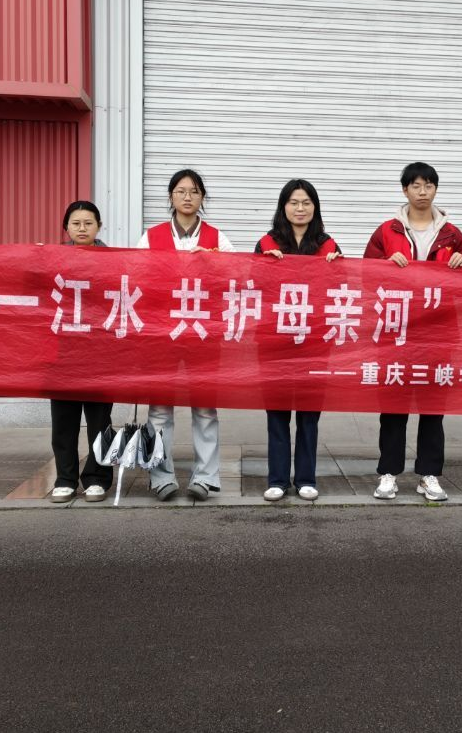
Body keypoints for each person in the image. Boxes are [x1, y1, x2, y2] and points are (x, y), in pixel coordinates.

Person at [363, 161, 462, 502]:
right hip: (396, 332)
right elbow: (366, 276)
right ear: (405, 190)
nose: (422, 192)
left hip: (438, 334)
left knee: (433, 409)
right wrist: (385, 267)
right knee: (393, 409)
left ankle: (429, 474)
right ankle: (388, 473)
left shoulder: (453, 235)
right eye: (416, 186)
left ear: (436, 189)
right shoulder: (387, 232)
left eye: (428, 185)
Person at [139, 169, 236, 502]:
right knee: (159, 409)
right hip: (161, 333)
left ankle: (205, 477)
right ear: (170, 196)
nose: (187, 197)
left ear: (202, 198)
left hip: (203, 334)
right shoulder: (150, 237)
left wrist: (214, 262)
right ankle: (160, 476)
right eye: (181, 191)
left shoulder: (217, 238)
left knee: (205, 408)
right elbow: (136, 277)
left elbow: (236, 277)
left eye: (194, 191)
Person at [255, 179, 341, 502]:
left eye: (306, 202)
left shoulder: (328, 245)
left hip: (314, 342)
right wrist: (264, 267)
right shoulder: (267, 243)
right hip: (275, 341)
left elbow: (339, 291)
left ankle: (306, 478)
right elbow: (253, 287)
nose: (300, 208)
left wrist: (336, 269)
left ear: (315, 207)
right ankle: (277, 479)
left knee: (308, 414)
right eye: (293, 202)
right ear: (283, 207)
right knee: (277, 413)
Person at [48, 201, 114, 503]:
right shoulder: (53, 260)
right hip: (63, 351)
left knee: (99, 421)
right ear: (66, 228)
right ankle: (65, 478)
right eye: (76, 223)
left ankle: (97, 478)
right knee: (64, 420)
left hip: (101, 352)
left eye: (88, 223)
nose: (82, 228)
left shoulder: (114, 261)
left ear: (99, 226)